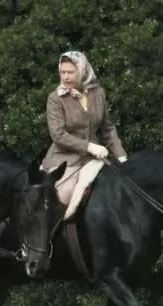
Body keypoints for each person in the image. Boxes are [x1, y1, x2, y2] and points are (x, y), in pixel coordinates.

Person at [42, 51, 127, 213]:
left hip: (94, 159)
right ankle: (54, 237)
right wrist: (90, 147)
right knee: (63, 196)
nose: (66, 77)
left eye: (70, 72)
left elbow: (107, 129)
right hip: (65, 159)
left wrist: (122, 156)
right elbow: (58, 135)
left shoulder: (98, 93)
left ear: (82, 71)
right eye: (62, 72)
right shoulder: (55, 98)